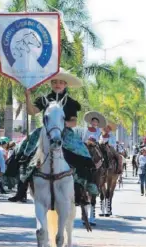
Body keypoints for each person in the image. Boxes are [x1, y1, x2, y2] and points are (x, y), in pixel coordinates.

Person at [14, 68, 99, 206]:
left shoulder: (71, 102)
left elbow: (73, 122)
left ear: (65, 84)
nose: (57, 84)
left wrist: (61, 123)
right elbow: (32, 111)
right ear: (51, 84)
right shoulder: (44, 99)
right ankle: (21, 188)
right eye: (54, 82)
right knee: (23, 150)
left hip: (65, 132)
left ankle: (83, 188)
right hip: (45, 131)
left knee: (83, 154)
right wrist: (27, 97)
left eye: (60, 82)